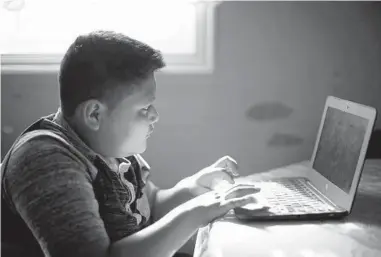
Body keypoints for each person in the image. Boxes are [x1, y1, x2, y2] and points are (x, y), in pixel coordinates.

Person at [1, 30, 260, 257]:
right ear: (94, 114)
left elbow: (150, 207)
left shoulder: (109, 147)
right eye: (144, 108)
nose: (155, 116)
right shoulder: (45, 159)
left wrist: (192, 189)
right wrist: (193, 214)